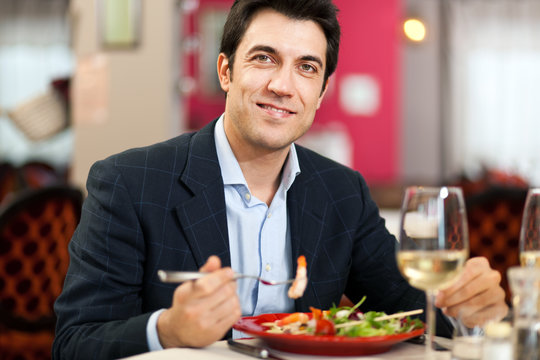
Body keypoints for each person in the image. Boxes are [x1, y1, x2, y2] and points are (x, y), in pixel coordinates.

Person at [52, 0, 508, 358]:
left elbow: (415, 312)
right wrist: (168, 329)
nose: (283, 86)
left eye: (307, 67)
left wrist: (469, 310)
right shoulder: (129, 183)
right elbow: (74, 344)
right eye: (265, 58)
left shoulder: (342, 192)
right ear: (226, 71)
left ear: (322, 90)